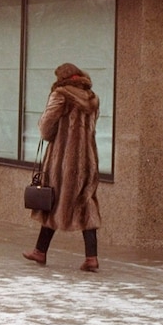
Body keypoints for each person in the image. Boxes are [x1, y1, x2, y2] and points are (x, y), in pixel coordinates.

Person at [23, 62, 102, 272]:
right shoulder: (92, 97)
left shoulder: (60, 94)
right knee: (86, 203)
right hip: (87, 158)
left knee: (53, 200)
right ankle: (91, 257)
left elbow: (46, 126)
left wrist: (50, 135)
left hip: (63, 160)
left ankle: (40, 251)